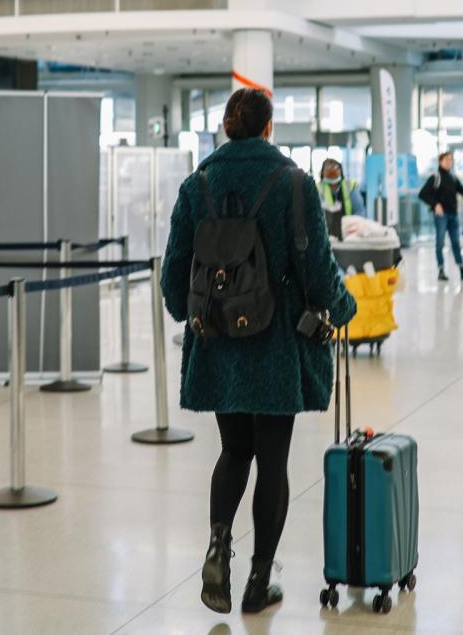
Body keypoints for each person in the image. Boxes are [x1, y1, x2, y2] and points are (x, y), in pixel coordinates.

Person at [160, 88, 356, 615]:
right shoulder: (294, 183)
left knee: (233, 451)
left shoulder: (196, 184)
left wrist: (192, 314)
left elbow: (173, 276)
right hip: (274, 345)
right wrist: (343, 306)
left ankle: (218, 546)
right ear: (268, 128)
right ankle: (258, 581)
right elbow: (318, 270)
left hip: (219, 340)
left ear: (228, 129)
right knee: (273, 460)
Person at [419, 151, 463, 281]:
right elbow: (422, 194)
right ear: (441, 161)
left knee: (456, 243)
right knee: (440, 243)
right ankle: (441, 270)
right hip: (441, 216)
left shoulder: (453, 178)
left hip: (453, 215)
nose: (450, 162)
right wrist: (435, 204)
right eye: (447, 160)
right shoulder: (435, 177)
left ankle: (462, 270)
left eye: (451, 160)